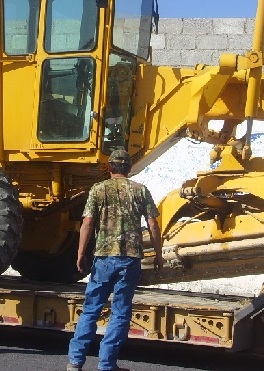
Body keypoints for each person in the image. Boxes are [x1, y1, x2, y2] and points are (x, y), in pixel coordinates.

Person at [67, 149, 162, 371]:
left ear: (109, 167)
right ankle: (107, 364)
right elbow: (153, 225)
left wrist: (81, 253)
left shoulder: (98, 190)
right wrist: (158, 254)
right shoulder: (140, 190)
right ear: (129, 168)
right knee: (120, 311)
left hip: (103, 258)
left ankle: (75, 361)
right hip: (129, 259)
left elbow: (88, 224)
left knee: (91, 308)